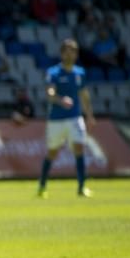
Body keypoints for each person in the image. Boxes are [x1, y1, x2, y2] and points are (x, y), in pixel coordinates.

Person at [37, 38, 96, 198]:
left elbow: (84, 94)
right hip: (56, 119)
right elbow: (49, 93)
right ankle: (42, 186)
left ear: (76, 54)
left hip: (75, 118)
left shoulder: (80, 73)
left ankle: (81, 186)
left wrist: (89, 115)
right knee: (52, 153)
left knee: (79, 148)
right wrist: (60, 99)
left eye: (73, 50)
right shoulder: (53, 72)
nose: (70, 53)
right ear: (62, 53)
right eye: (67, 50)